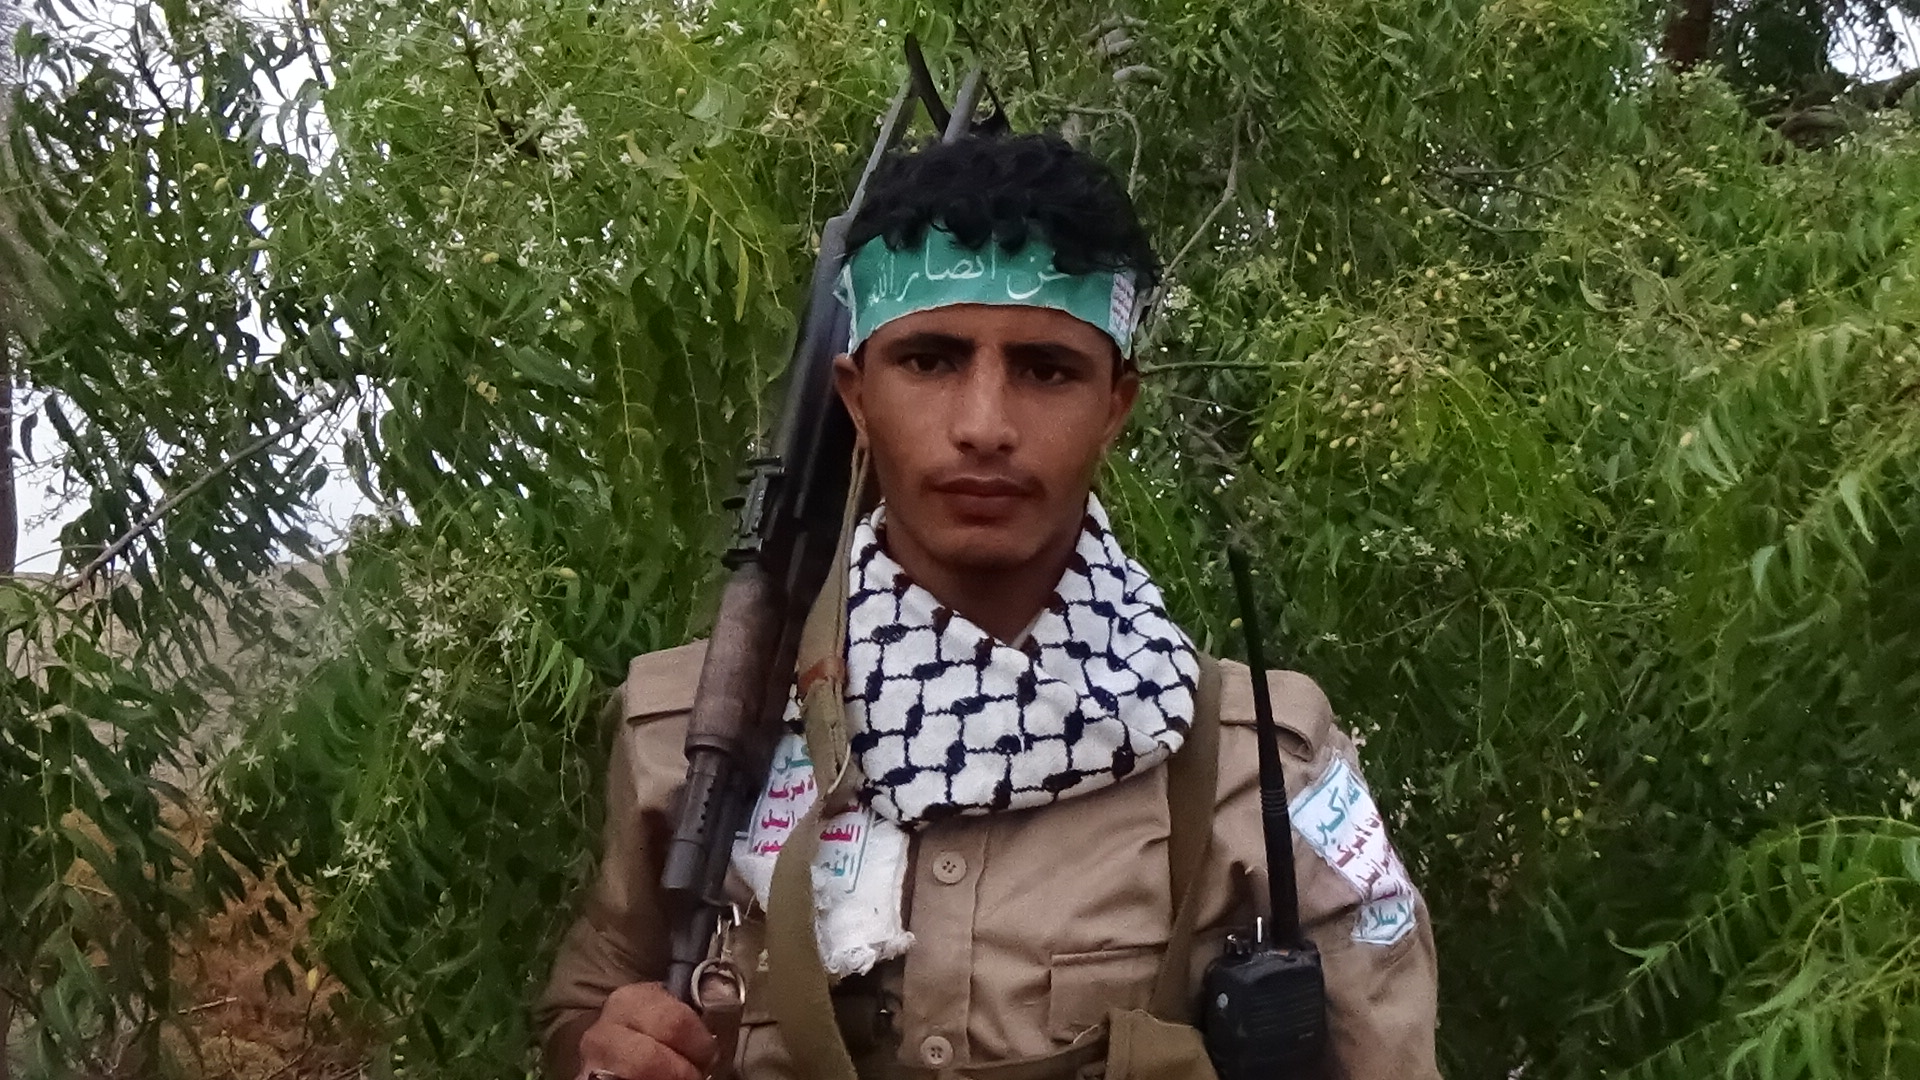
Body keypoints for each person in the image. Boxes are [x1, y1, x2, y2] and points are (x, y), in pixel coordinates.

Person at [538, 133, 1441, 1080]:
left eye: (1046, 370)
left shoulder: (1260, 763)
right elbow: (587, 1005)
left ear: (1115, 406)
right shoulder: (696, 731)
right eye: (930, 360)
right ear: (856, 396)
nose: (983, 426)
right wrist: (607, 1045)